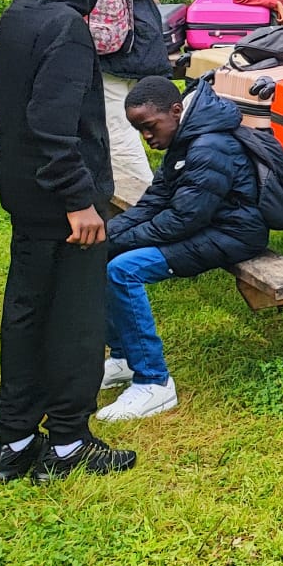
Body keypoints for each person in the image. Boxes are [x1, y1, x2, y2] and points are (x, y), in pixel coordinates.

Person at [0, 0, 134, 484]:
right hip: (66, 203)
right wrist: (77, 197)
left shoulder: (18, 15)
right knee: (74, 319)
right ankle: (68, 442)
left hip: (23, 190)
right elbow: (51, 121)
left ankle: (15, 440)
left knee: (27, 311)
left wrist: (25, 155)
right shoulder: (67, 27)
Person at [97, 77, 269, 422]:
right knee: (102, 255)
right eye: (139, 130)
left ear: (176, 111)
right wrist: (107, 236)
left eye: (149, 126)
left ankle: (154, 383)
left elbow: (182, 220)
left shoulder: (209, 146)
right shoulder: (184, 136)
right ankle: (125, 357)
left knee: (122, 270)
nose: (146, 137)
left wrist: (119, 241)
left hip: (231, 234)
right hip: (204, 225)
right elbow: (154, 201)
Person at [87, 0, 173, 210]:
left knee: (119, 132)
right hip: (144, 54)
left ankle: (147, 205)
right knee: (142, 126)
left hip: (116, 59)